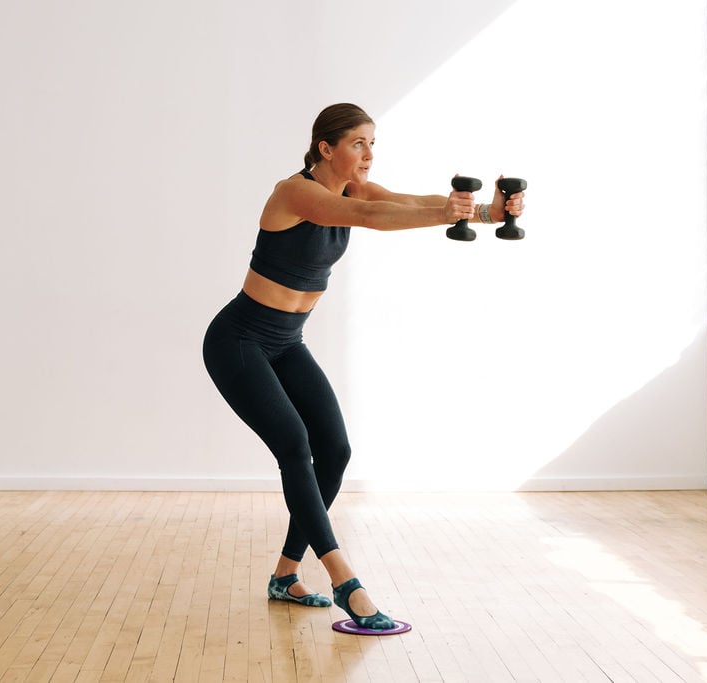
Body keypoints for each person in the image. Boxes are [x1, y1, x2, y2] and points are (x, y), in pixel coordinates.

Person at [203, 103, 525, 630]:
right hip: (238, 341)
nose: (369, 154)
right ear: (325, 148)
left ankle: (285, 575)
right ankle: (344, 581)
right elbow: (371, 218)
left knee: (334, 449)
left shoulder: (352, 188)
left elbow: (405, 201)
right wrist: (449, 214)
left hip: (286, 342)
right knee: (293, 444)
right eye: (358, 143)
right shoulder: (295, 193)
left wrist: (488, 212)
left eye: (373, 143)